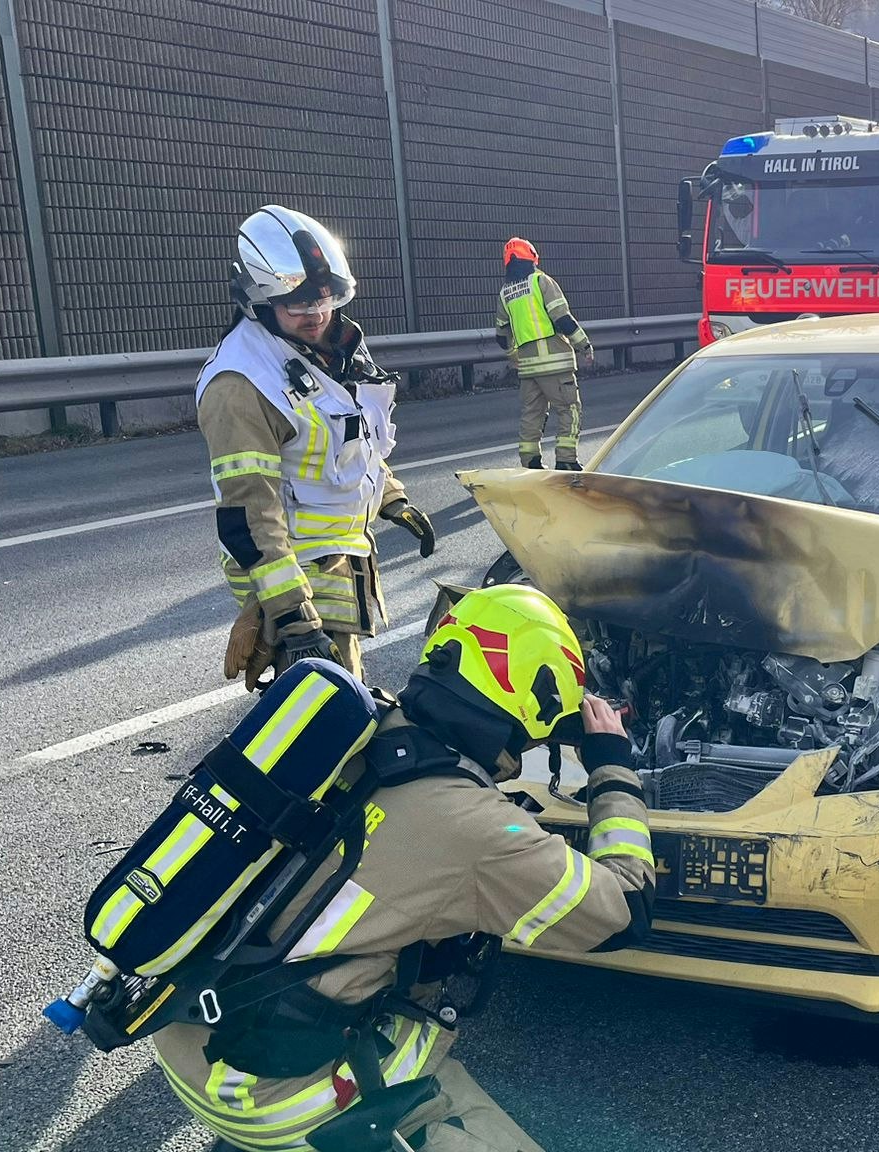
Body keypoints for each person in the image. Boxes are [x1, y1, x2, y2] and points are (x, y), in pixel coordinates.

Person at [151, 584, 656, 1151]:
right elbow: (623, 913)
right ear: (535, 695)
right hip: (273, 1097)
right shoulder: (478, 830)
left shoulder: (358, 730)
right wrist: (613, 771)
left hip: (185, 1039)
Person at [200, 206, 435, 683]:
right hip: (293, 586)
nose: (315, 315)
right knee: (332, 734)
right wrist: (290, 617)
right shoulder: (242, 384)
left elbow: (347, 438)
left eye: (324, 301)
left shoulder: (324, 349)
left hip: (337, 566)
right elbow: (248, 515)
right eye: (298, 305)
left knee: (337, 718)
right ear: (257, 299)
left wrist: (391, 498)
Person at [495, 237, 595, 470]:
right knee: (569, 409)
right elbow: (562, 318)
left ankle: (530, 463)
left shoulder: (505, 293)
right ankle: (566, 460)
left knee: (533, 414)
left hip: (528, 367)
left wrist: (514, 356)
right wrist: (584, 346)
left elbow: (501, 335)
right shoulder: (542, 281)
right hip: (555, 363)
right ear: (532, 257)